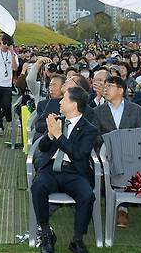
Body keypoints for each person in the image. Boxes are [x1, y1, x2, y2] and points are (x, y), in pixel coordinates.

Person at [30, 87, 98, 253]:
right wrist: (50, 135)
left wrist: (59, 135)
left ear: (74, 104)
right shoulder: (57, 121)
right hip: (51, 169)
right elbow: (44, 148)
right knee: (38, 187)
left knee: (87, 195)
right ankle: (46, 234)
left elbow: (79, 155)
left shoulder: (89, 129)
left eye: (64, 99)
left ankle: (77, 240)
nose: (60, 102)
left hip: (75, 172)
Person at [93, 75, 141, 228]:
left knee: (126, 160)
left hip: (130, 152)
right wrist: (113, 142)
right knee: (115, 160)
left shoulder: (135, 109)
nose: (105, 89)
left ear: (121, 90)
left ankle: (121, 206)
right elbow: (95, 136)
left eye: (109, 86)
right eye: (105, 86)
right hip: (106, 152)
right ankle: (120, 207)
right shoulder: (97, 111)